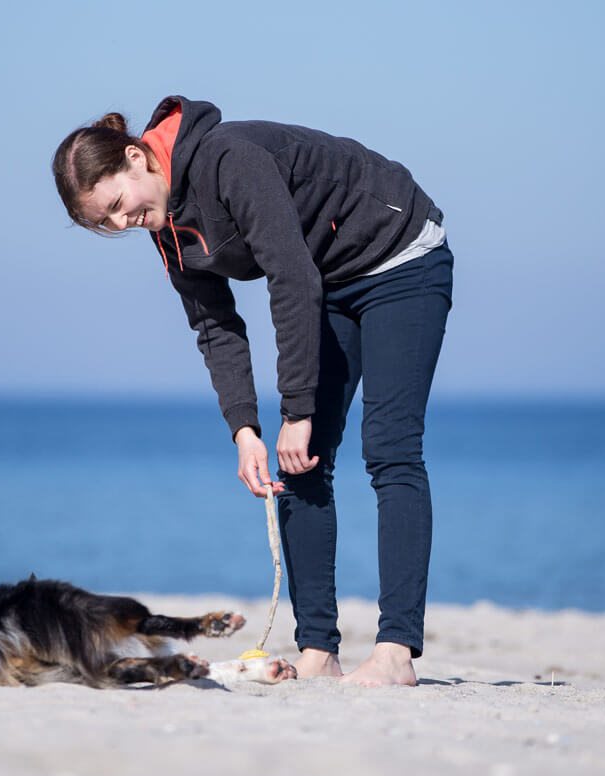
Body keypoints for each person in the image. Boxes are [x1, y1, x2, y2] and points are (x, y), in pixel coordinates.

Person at [52, 96, 453, 687]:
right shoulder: (167, 231)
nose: (119, 224)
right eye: (103, 223)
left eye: (116, 205)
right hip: (331, 279)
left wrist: (296, 410)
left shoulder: (227, 160)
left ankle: (395, 651)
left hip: (400, 257)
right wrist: (246, 429)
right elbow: (215, 327)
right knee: (300, 463)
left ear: (137, 159)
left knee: (389, 449)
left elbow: (289, 274)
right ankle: (319, 648)